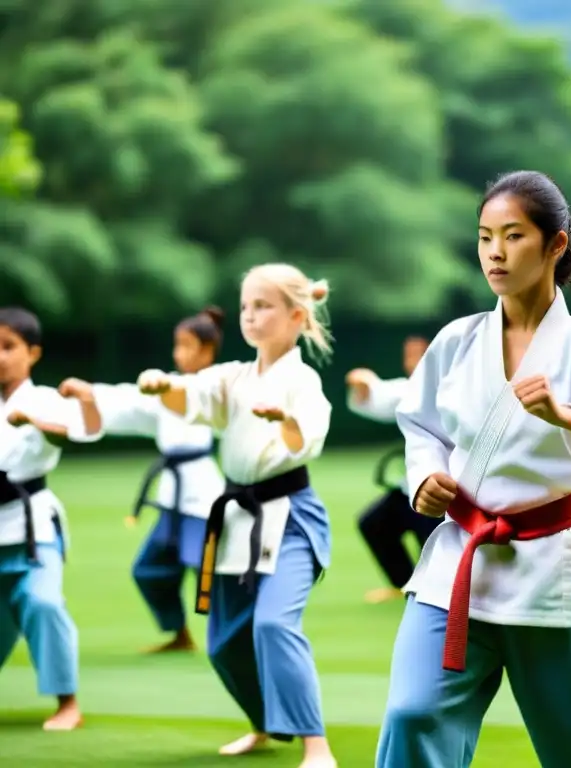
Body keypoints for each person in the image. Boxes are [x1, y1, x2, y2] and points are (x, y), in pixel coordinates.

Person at [375, 170, 571, 768]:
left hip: (551, 568)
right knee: (412, 714)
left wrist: (567, 413)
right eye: (483, 237)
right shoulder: (456, 341)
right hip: (460, 563)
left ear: (556, 245)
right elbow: (420, 426)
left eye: (513, 236)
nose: (494, 253)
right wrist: (425, 477)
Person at [133, 263, 337, 768]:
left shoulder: (302, 381)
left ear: (294, 316)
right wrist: (164, 386)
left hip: (290, 517)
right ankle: (264, 725)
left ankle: (317, 744)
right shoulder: (234, 376)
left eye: (262, 306)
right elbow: (193, 397)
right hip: (238, 520)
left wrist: (284, 421)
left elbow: (304, 440)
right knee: (224, 644)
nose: (250, 316)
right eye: (245, 306)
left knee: (273, 625)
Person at [58, 307, 227, 651]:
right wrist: (91, 395)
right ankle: (179, 634)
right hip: (172, 498)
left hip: (203, 499)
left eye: (187, 345)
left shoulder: (218, 388)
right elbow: (129, 402)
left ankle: (231, 638)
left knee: (208, 576)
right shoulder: (165, 390)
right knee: (149, 571)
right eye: (176, 344)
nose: (178, 352)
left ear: (207, 350)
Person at [0, 307, 98, 730]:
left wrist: (34, 421)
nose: (0, 356)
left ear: (32, 353)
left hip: (32, 528)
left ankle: (67, 703)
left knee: (42, 602)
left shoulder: (43, 401)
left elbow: (65, 432)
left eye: (8, 347)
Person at [347, 336, 442, 603]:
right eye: (409, 355)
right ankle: (406, 584)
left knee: (438, 556)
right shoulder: (410, 389)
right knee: (375, 524)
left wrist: (371, 383)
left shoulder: (447, 388)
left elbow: (391, 395)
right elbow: (380, 400)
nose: (413, 361)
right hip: (411, 489)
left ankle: (439, 592)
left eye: (419, 354)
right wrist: (365, 387)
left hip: (443, 491)